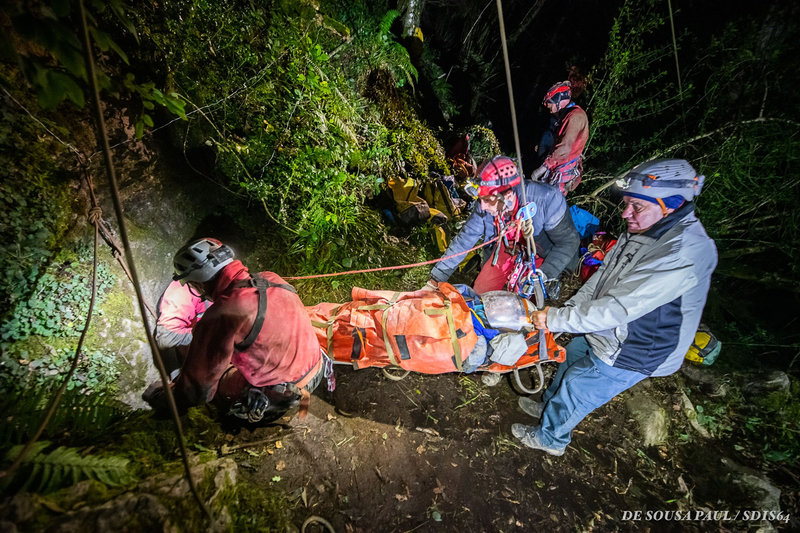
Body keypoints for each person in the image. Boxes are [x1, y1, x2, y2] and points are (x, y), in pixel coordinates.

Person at [512, 158, 717, 455]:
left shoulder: (685, 251)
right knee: (569, 360)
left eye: (637, 206)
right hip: (607, 327)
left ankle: (551, 439)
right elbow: (600, 281)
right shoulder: (640, 230)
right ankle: (547, 408)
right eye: (627, 203)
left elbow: (619, 308)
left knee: (578, 388)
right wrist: (565, 312)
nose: (625, 213)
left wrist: (555, 319)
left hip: (638, 346)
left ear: (670, 204)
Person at [143, 238, 327, 422]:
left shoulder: (223, 313)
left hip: (281, 396)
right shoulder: (271, 278)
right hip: (316, 371)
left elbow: (198, 391)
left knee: (211, 369)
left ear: (199, 284)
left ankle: (252, 406)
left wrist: (165, 395)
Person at [425, 155, 579, 296]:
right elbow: (464, 241)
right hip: (507, 248)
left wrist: (546, 273)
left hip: (540, 253)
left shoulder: (547, 199)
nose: (482, 206)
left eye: (487, 200)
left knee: (524, 302)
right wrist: (435, 279)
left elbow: (569, 242)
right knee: (482, 294)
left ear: (508, 196)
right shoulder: (485, 204)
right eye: (481, 199)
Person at [530, 81, 589, 195]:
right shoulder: (567, 115)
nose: (548, 106)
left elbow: (565, 147)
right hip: (558, 167)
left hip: (562, 170)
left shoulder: (576, 116)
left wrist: (544, 167)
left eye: (550, 103)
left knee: (549, 200)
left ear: (559, 101)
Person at [153, 279, 209, 378]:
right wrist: (204, 334)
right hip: (190, 359)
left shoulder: (212, 288)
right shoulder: (181, 294)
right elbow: (166, 338)